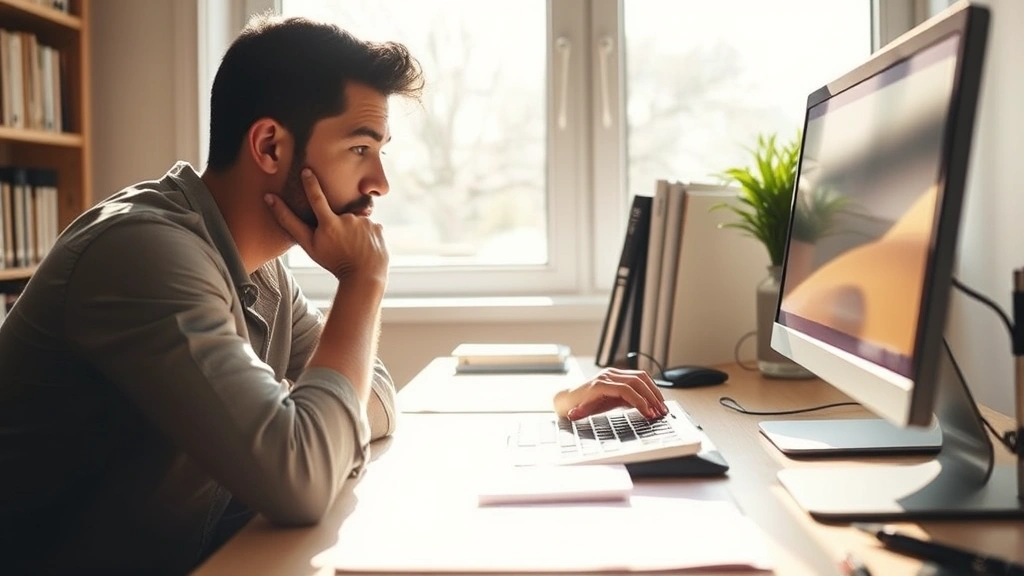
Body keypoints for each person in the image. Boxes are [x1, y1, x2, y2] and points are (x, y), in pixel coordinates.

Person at [0, 14, 668, 575]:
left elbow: (372, 398)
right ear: (269, 145)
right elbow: (300, 477)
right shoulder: (145, 256)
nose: (380, 181)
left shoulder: (259, 267)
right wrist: (362, 283)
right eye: (360, 148)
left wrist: (314, 426)